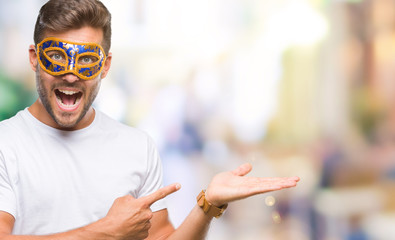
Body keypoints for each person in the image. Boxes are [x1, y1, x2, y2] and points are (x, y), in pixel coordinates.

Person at [0, 0, 300, 239]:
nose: (70, 73)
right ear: (34, 58)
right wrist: (105, 232)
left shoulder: (136, 146)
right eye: (56, 56)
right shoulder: (6, 144)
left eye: (87, 60)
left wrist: (208, 205)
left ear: (105, 66)